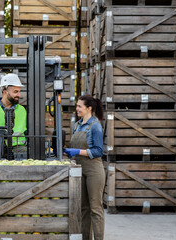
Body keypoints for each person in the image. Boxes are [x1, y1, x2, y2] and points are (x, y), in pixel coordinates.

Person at [64, 95, 105, 240]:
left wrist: (77, 151)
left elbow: (99, 151)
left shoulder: (95, 126)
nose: (77, 109)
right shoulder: (77, 125)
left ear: (89, 108)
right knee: (84, 209)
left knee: (95, 208)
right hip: (78, 169)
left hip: (93, 169)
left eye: (79, 106)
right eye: (76, 106)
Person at [0, 73, 27, 158]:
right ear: (5, 91)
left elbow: (27, 131)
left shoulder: (22, 110)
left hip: (17, 146)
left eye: (19, 91)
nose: (19, 95)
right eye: (15, 92)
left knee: (26, 153)